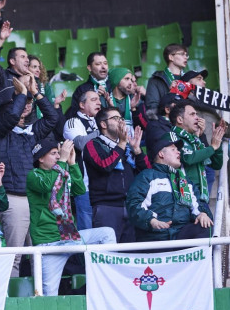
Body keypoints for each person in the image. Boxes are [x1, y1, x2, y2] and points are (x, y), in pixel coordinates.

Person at [27, 139, 116, 296]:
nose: (58, 156)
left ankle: (104, 278)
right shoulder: (34, 175)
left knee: (107, 234)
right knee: (48, 295)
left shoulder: (63, 172)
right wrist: (62, 160)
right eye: (53, 153)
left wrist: (73, 163)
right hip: (50, 243)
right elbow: (48, 185)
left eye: (58, 153)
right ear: (40, 158)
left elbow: (80, 190)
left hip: (70, 236)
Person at [0, 75, 59, 277]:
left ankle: (39, 298)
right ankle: (10, 302)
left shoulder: (30, 133)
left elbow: (52, 118)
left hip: (34, 200)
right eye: (21, 105)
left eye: (27, 104)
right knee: (15, 257)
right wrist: (21, 94)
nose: (25, 108)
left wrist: (36, 94)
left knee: (40, 256)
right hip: (14, 199)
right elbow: (11, 117)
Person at [126, 131, 213, 242]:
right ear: (161, 154)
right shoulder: (147, 176)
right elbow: (134, 204)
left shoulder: (185, 181)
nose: (178, 152)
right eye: (173, 149)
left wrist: (203, 214)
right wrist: (151, 221)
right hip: (155, 236)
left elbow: (198, 205)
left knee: (205, 225)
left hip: (181, 235)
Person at [84, 107, 149, 243]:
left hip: (131, 207)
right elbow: (105, 165)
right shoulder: (93, 144)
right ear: (103, 124)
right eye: (115, 118)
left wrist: (137, 150)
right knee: (108, 256)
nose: (120, 122)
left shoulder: (127, 147)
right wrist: (121, 144)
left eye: (121, 118)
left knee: (129, 256)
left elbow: (146, 173)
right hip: (107, 207)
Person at [170, 100, 224, 204]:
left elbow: (216, 164)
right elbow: (189, 158)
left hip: (201, 198)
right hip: (184, 199)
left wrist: (217, 142)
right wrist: (213, 147)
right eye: (192, 114)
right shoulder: (172, 136)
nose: (197, 118)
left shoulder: (195, 140)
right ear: (180, 119)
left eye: (197, 114)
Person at [62, 89, 101, 230]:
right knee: (88, 229)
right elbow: (80, 143)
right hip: (85, 185)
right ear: (82, 105)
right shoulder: (73, 122)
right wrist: (102, 132)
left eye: (99, 99)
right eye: (93, 99)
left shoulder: (101, 122)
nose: (98, 102)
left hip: (104, 185)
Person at [146, 44, 188, 120]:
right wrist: (169, 94)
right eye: (182, 54)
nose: (186, 57)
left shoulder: (189, 79)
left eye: (186, 55)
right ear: (171, 57)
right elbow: (152, 110)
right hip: (165, 125)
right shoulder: (155, 80)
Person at [67, 52, 110, 119]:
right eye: (98, 64)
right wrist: (94, 98)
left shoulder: (115, 84)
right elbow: (73, 114)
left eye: (105, 63)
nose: (103, 67)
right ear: (89, 68)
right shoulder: (82, 89)